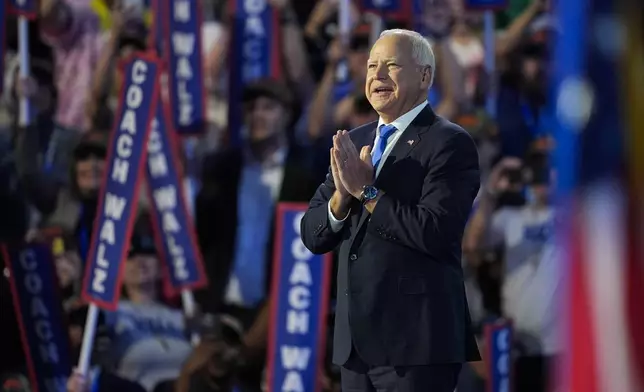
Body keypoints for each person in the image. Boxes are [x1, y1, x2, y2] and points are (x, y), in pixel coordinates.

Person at [300, 29, 481, 391]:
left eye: (392, 65)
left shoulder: (449, 142)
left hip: (416, 346)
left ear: (425, 76)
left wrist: (365, 191)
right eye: (371, 66)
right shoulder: (355, 141)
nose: (377, 76)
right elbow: (312, 234)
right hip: (355, 349)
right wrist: (341, 199)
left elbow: (434, 232)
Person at [463, 154, 560, 392]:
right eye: (535, 175)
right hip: (518, 344)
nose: (542, 181)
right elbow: (472, 244)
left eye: (547, 173)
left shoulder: (575, 216)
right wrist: (492, 190)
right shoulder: (510, 218)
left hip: (564, 345)